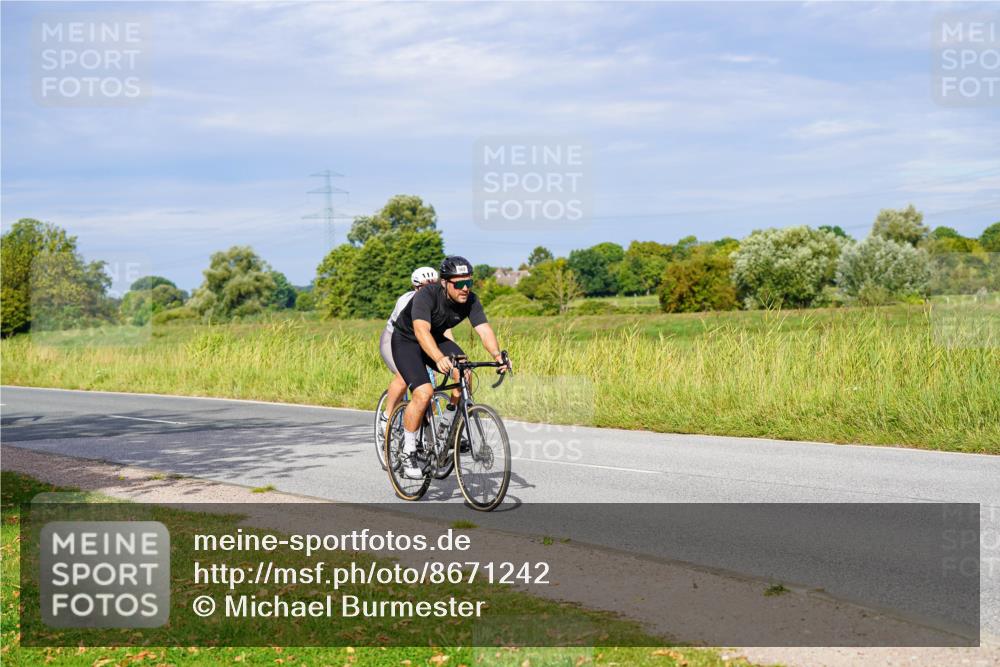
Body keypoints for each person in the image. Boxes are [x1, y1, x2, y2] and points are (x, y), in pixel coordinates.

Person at [390, 255, 510, 478]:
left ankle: (447, 427)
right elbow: (421, 331)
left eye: (469, 283)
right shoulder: (427, 295)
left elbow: (483, 329)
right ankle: (407, 451)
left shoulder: (471, 300)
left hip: (435, 338)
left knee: (465, 371)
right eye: (460, 284)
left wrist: (497, 355)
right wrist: (437, 358)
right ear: (444, 283)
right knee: (424, 393)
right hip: (408, 341)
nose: (465, 289)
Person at [377, 266, 440, 448]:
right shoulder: (406, 301)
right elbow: (411, 334)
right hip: (394, 340)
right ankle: (387, 416)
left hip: (419, 342)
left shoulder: (438, 302)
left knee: (428, 389)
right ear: (416, 287)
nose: (430, 291)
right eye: (425, 287)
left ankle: (426, 435)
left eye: (434, 286)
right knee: (404, 376)